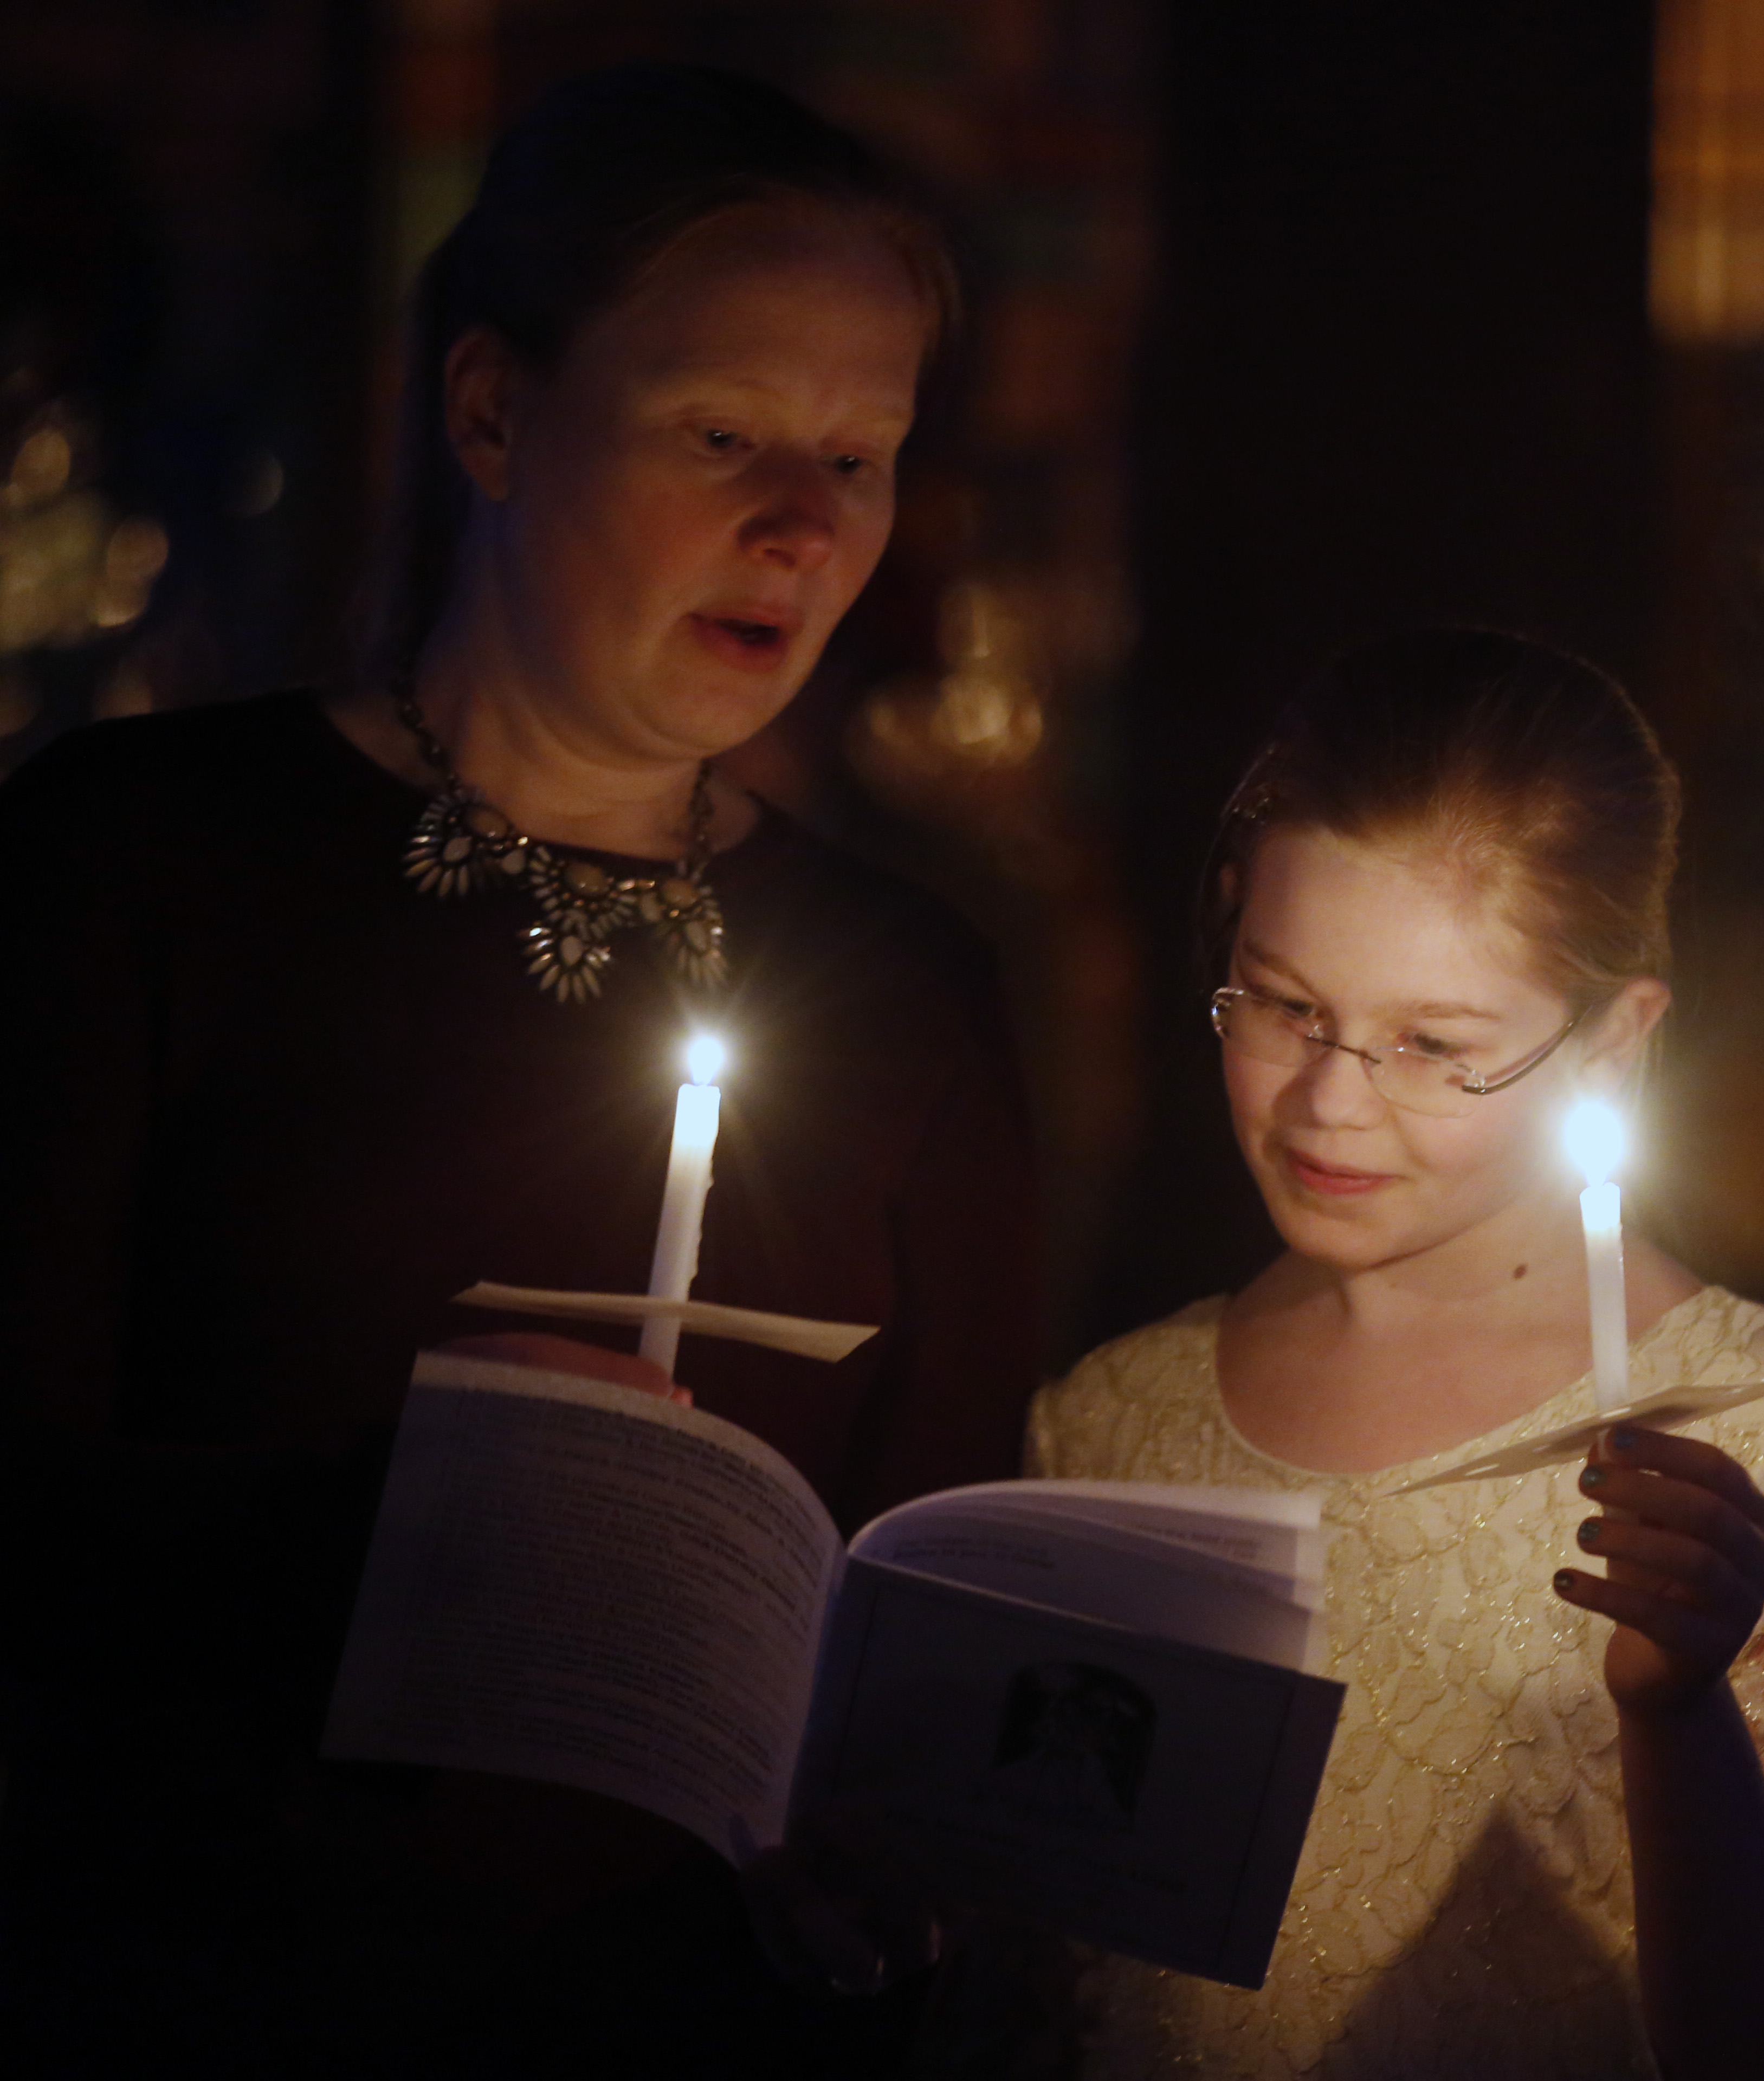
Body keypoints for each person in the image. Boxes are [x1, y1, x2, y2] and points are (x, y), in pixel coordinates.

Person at [0, 66, 1042, 2076]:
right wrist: (382, 1541)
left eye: (864, 452)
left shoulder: (910, 990)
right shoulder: (130, 862)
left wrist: (903, 1852)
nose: (807, 526)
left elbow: (940, 1573)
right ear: (491, 411)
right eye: (724, 434)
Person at [1025, 629, 1764, 2080]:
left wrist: (1676, 1711)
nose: (1328, 1104)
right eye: (1284, 1004)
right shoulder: (1114, 1413)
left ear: (1614, 1048)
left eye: (1435, 1045)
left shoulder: (1763, 1430)